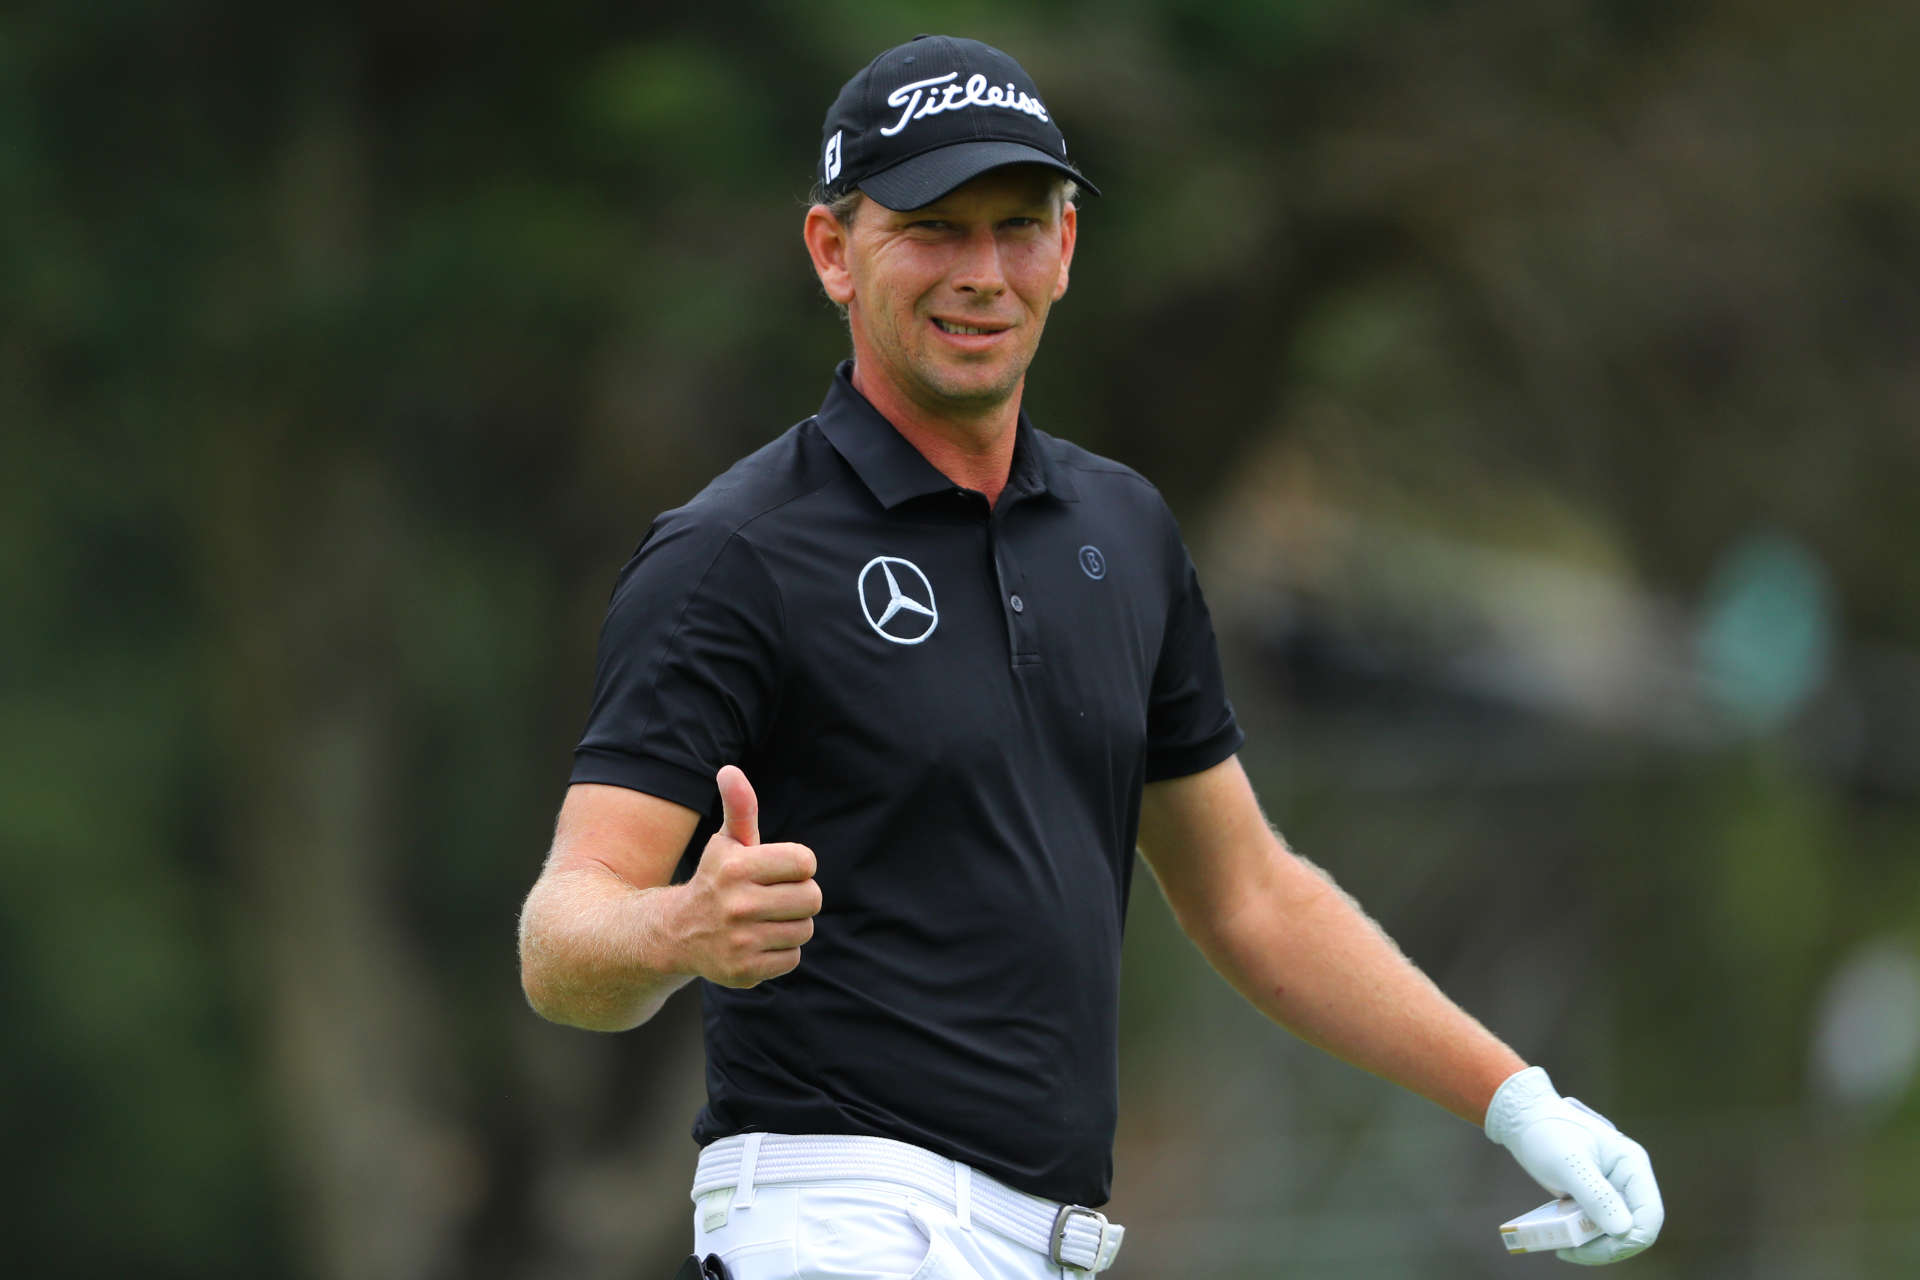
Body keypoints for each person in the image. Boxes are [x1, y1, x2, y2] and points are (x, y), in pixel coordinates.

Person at [518, 33, 1664, 1280]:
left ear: (1066, 247)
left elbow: (1251, 895)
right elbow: (560, 939)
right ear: (834, 251)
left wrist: (1516, 1098)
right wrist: (680, 927)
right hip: (839, 1214)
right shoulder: (734, 553)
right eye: (932, 230)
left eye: (1018, 226)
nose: (983, 273)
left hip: (1046, 1240)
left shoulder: (1123, 530)